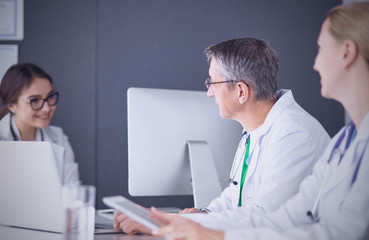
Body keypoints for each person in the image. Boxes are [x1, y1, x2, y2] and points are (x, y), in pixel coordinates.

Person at [149, 2, 369, 239]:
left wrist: (209, 233)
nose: (315, 64)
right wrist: (182, 222)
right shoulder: (344, 141)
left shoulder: (294, 133)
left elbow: (336, 232)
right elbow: (286, 216)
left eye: (320, 48)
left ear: (346, 53)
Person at [114, 38, 331, 234]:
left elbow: (266, 216)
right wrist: (201, 214)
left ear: (240, 91)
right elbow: (235, 196)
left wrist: (167, 222)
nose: (209, 92)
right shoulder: (255, 129)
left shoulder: (293, 134)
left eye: (212, 83)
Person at [0, 63, 79, 185]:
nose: (46, 109)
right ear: (11, 105)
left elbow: (72, 189)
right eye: (35, 100)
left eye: (50, 97)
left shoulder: (59, 137)